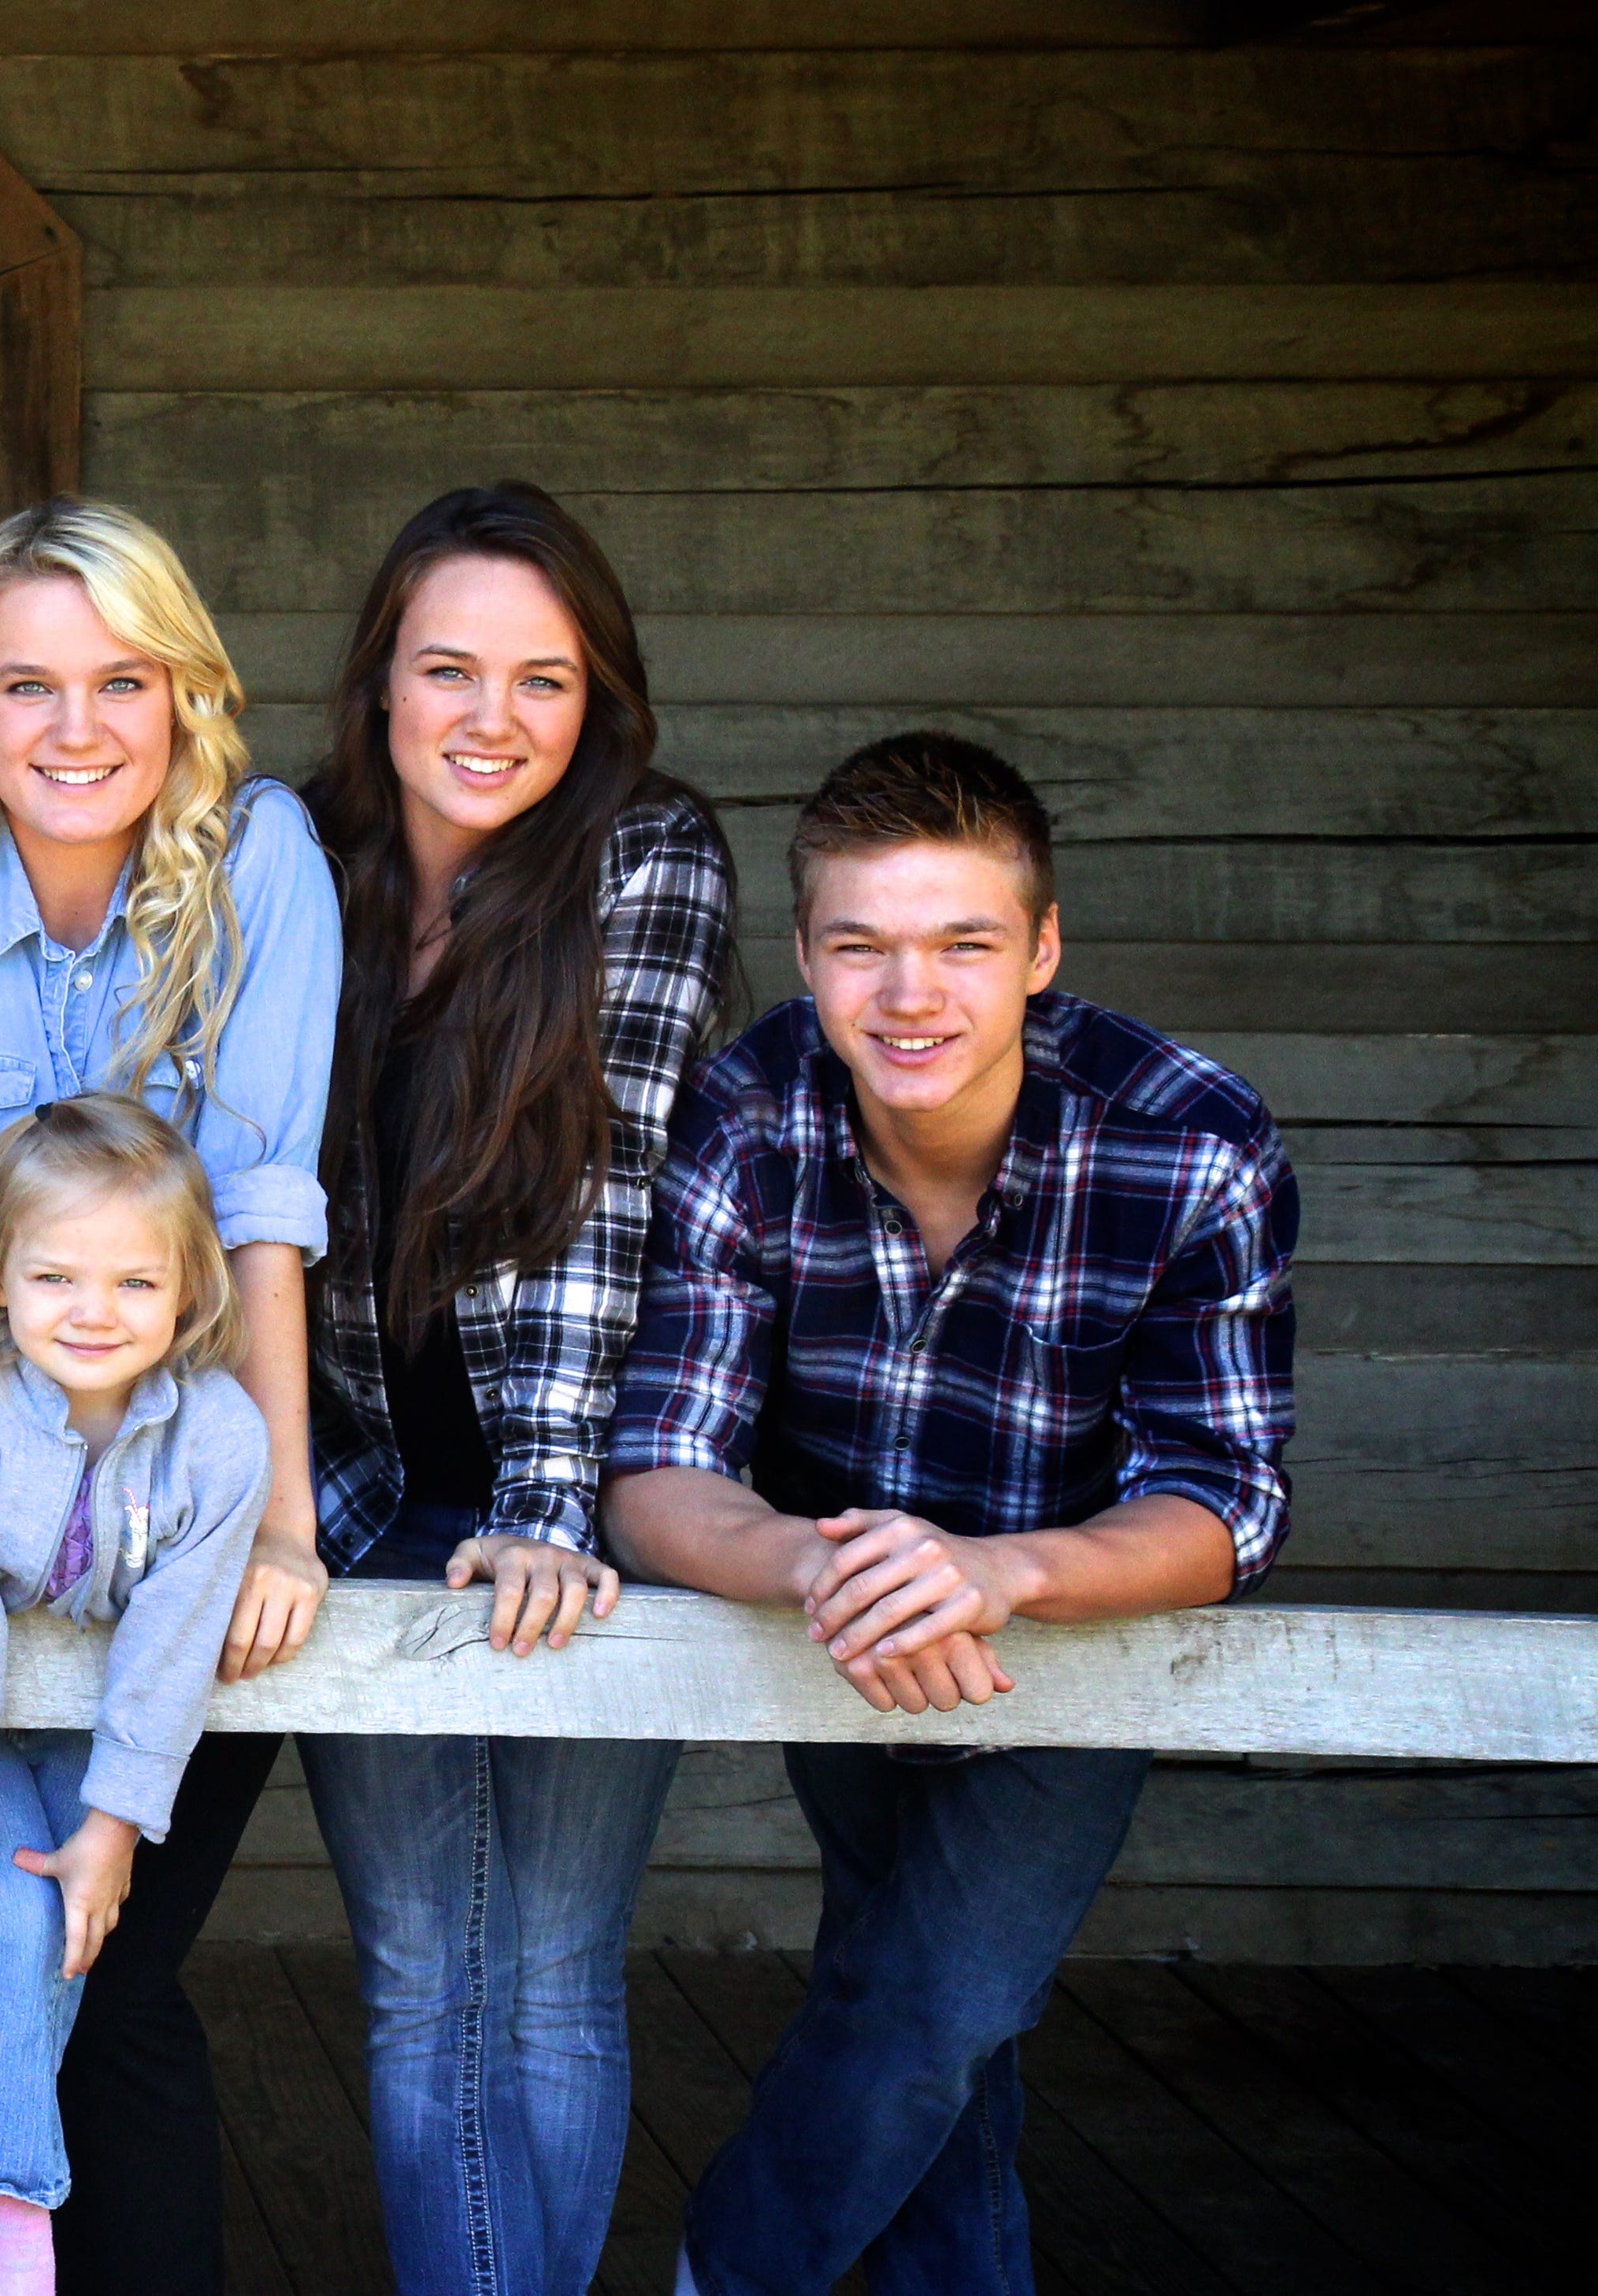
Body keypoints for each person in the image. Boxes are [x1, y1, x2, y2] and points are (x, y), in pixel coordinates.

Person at [604, 733, 1297, 2296]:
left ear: (1041, 950)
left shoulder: (1188, 1136)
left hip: (1069, 1629)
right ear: (805, 957)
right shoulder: (745, 1112)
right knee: (922, 2018)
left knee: (937, 2002)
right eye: (860, 945)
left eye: (963, 944)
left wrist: (999, 1574)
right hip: (834, 1619)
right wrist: (832, 1566)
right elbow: (655, 1472)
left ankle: (728, 2271)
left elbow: (1224, 1502)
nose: (908, 994)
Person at [0, 496, 342, 2294]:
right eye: (26, 683)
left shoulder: (255, 860)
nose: (74, 726)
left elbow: (259, 1206)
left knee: (107, 1969)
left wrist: (280, 1519)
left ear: (181, 690)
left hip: (187, 1504)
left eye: (121, 679)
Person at [294, 485, 737, 2296]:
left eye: (542, 678)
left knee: (548, 1965)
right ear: (378, 681)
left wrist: (550, 1504)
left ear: (596, 695)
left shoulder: (646, 855)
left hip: (587, 1493)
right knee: (417, 1969)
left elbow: (601, 1197)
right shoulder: (300, 866)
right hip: (359, 1490)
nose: (492, 717)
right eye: (449, 669)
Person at [0, 1098, 267, 2296]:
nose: (94, 1311)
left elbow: (173, 1647)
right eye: (56, 1277)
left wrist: (116, 1824)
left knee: (57, 1936)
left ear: (191, 1291)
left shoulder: (220, 1438)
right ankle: (15, 2233)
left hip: (99, 1748)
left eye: (136, 1283)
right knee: (10, 1927)